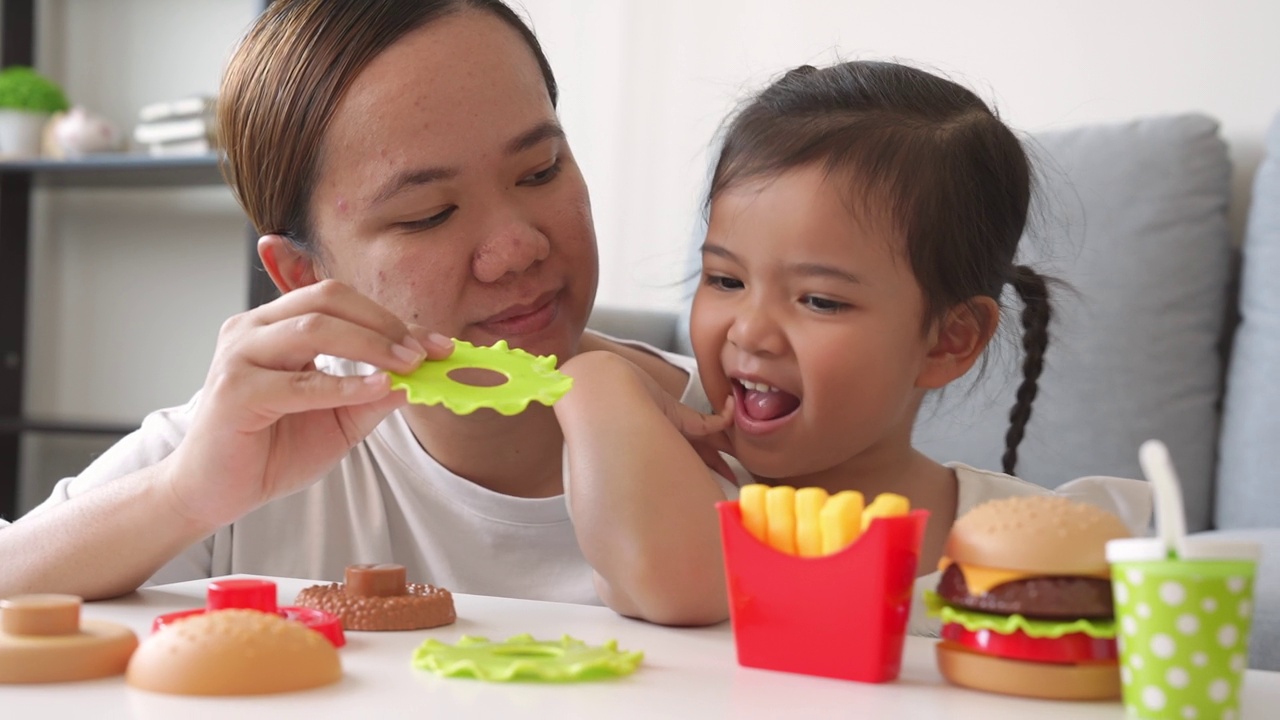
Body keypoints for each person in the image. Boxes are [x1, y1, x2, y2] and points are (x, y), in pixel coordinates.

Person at [0, 0, 734, 626]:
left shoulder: (749, 436)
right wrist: (184, 495)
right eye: (429, 214)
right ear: (303, 274)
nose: (515, 249)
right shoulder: (250, 447)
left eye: (540, 170)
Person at [553, 60, 1153, 634]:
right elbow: (673, 581)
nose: (750, 332)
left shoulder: (1039, 547)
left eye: (819, 300)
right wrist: (591, 379)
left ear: (949, 340)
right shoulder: (686, 498)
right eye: (726, 281)